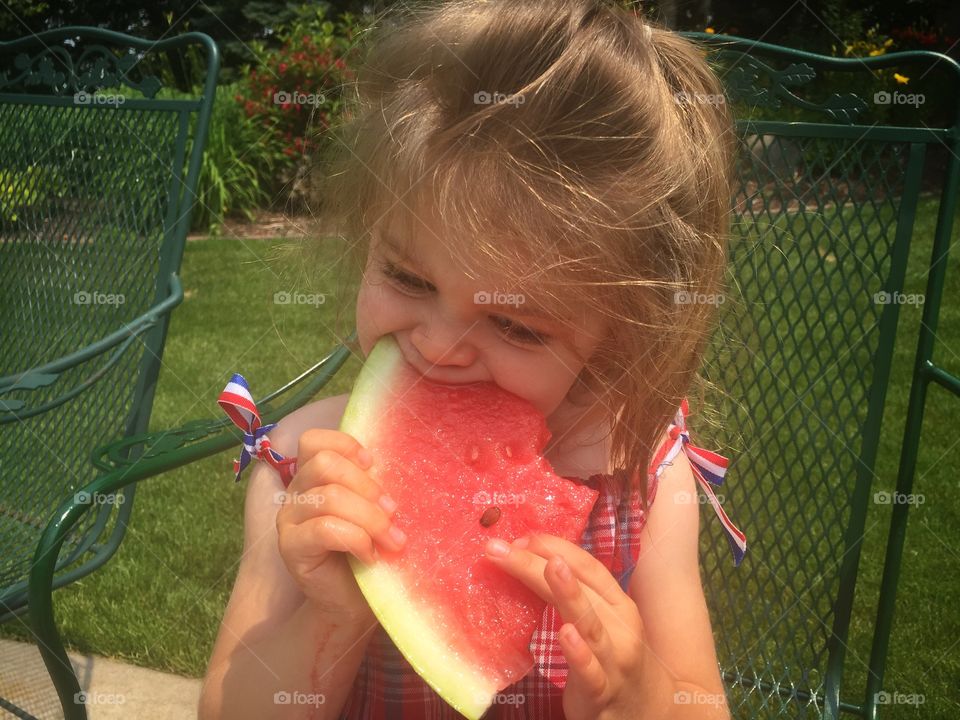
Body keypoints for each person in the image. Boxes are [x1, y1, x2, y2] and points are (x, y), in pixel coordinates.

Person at [199, 0, 746, 718]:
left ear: (618, 337)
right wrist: (331, 620)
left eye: (516, 326)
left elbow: (699, 701)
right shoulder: (299, 472)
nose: (436, 346)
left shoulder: (647, 479)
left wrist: (637, 691)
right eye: (409, 279)